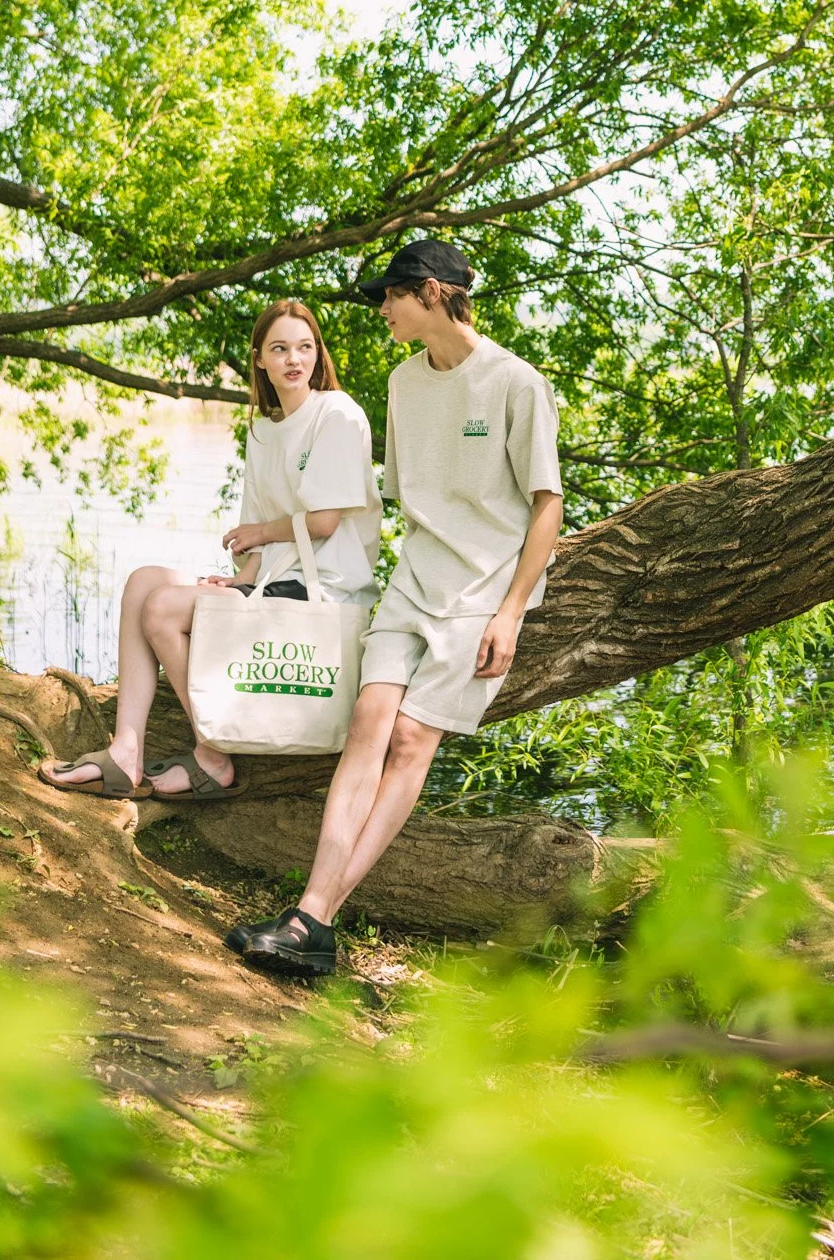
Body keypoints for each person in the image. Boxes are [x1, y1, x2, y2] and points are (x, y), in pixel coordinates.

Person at [230, 238, 563, 976]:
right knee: (368, 722)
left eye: (391, 295)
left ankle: (314, 917)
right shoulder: (402, 382)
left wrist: (510, 612)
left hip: (481, 594)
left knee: (411, 740)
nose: (382, 309)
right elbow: (404, 499)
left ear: (433, 292)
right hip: (413, 582)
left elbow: (547, 506)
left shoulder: (516, 383)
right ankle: (312, 919)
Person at [39, 299, 381, 802]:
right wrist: (241, 580)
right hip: (274, 582)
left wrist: (259, 536)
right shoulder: (263, 431)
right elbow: (260, 540)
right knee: (143, 581)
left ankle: (213, 755)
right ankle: (126, 750)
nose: (294, 359)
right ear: (259, 359)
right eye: (279, 348)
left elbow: (324, 522)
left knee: (163, 608)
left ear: (317, 353)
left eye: (305, 347)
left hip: (324, 588)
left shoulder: (337, 414)